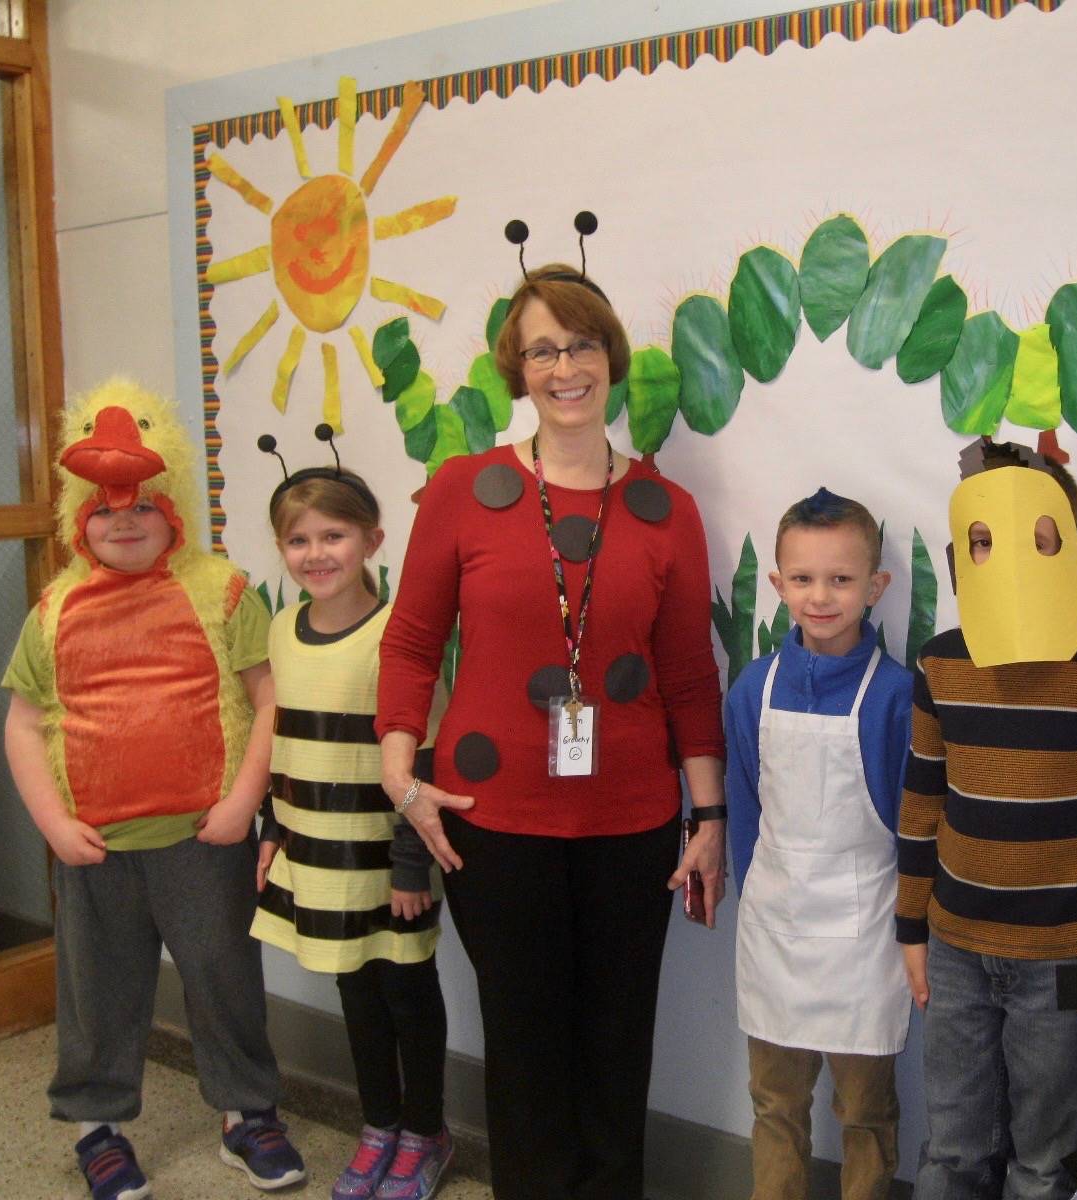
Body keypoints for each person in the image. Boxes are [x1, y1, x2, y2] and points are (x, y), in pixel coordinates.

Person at [376, 258, 725, 1200]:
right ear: (517, 371)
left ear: (610, 358)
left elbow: (690, 674)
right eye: (541, 350)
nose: (564, 366)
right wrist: (400, 774)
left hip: (633, 826)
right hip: (494, 824)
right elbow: (411, 645)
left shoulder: (667, 511)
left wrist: (711, 819)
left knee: (617, 1056)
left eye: (579, 344)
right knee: (525, 1060)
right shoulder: (461, 489)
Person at [3, 379, 305, 1200]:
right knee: (96, 991)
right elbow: (24, 727)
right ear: (78, 520)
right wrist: (52, 824)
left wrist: (245, 800)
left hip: (202, 837)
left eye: (140, 506)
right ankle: (97, 1126)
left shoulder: (223, 589)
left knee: (222, 975)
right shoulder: (54, 609)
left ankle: (247, 1112)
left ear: (172, 509)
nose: (123, 521)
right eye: (102, 510)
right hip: (95, 845)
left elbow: (269, 699)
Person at [897, 438, 1077, 1200]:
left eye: (1035, 538)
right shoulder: (940, 663)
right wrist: (912, 929)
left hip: (1069, 959)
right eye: (981, 541)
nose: (1006, 557)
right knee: (949, 1151)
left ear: (1067, 542)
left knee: (1045, 1163)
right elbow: (922, 802)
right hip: (956, 948)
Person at [249, 456, 452, 1200]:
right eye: (298, 540)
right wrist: (273, 831)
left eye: (333, 535)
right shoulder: (281, 630)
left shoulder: (399, 634)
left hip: (386, 863)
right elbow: (285, 744)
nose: (316, 554)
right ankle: (380, 1124)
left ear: (373, 540)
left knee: (406, 994)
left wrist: (408, 867)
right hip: (316, 857)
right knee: (356, 997)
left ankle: (426, 1131)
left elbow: (427, 751)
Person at [726, 488, 914, 1200]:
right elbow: (746, 806)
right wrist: (763, 897)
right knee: (775, 1105)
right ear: (776, 585)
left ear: (876, 587)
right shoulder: (752, 688)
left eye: (841, 579)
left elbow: (910, 825)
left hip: (866, 936)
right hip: (776, 929)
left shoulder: (896, 695)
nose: (821, 596)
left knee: (865, 1111)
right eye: (802, 579)